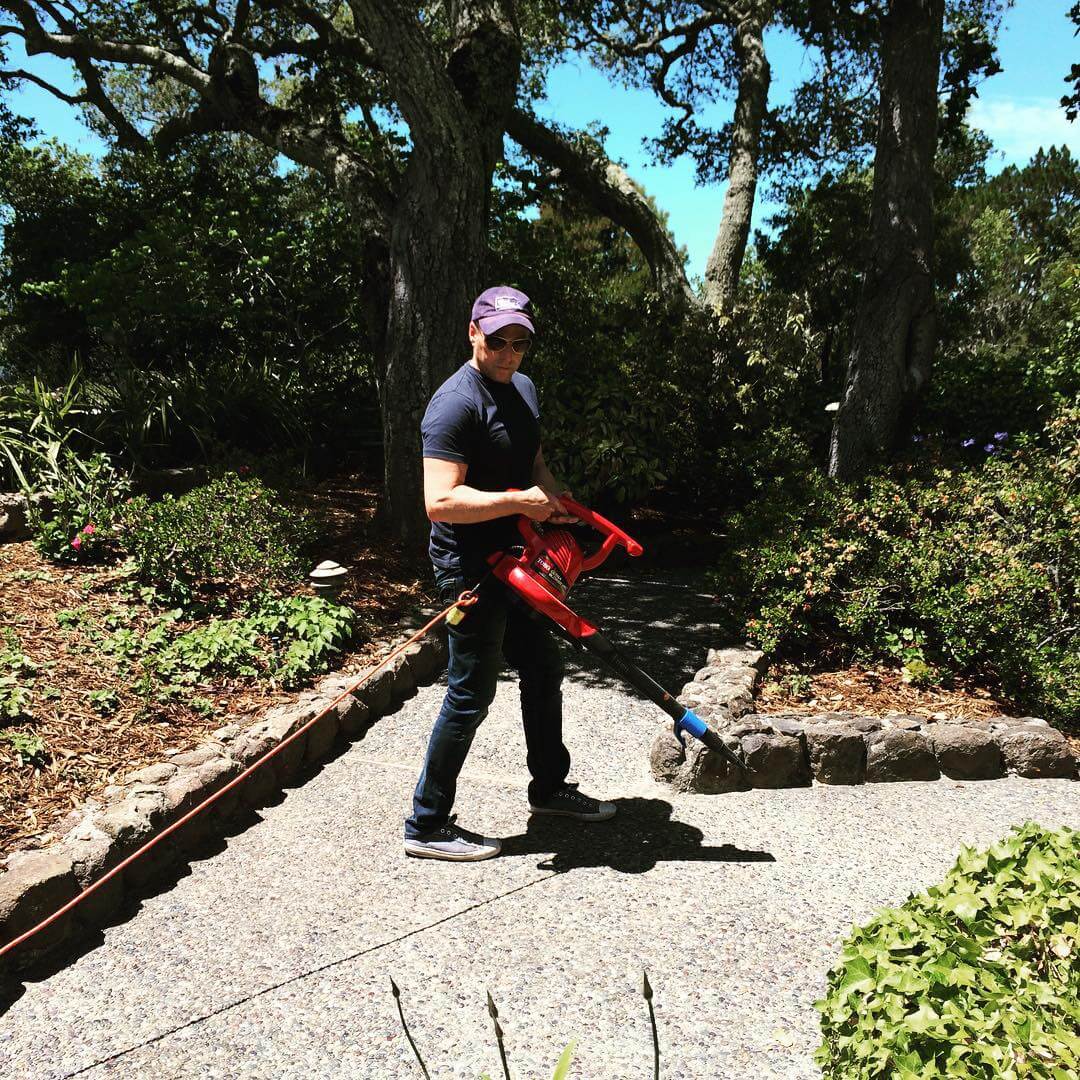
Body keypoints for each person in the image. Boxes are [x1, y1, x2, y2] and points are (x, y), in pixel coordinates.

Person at [403, 286, 616, 861]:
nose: (510, 353)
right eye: (498, 341)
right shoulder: (454, 404)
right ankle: (426, 824)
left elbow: (535, 464)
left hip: (523, 556)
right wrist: (519, 502)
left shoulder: (522, 389)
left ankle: (549, 788)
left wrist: (556, 501)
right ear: (473, 332)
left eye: (521, 342)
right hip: (470, 565)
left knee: (544, 667)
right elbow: (439, 501)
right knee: (470, 692)